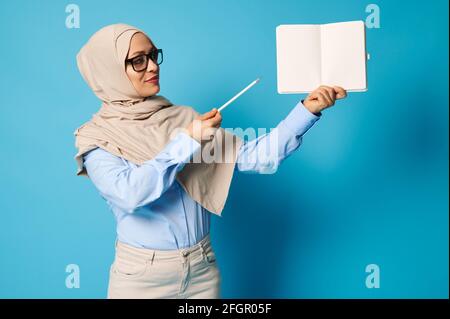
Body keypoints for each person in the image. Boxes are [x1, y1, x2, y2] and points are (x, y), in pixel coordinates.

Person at [73, 23, 347, 299]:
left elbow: (258, 157)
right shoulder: (97, 138)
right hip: (141, 278)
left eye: (154, 55)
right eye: (138, 61)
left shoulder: (183, 118)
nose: (153, 66)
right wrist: (187, 142)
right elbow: (130, 194)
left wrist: (307, 111)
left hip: (201, 270)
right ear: (110, 70)